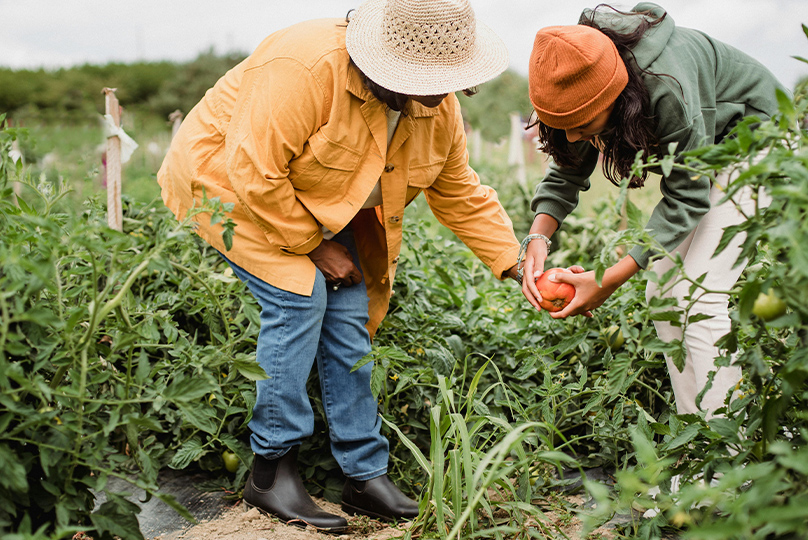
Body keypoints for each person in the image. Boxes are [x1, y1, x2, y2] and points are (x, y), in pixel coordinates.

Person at [157, 0, 521, 532]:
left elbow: (459, 191)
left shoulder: (435, 107)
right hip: (229, 186)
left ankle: (364, 475)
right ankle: (270, 469)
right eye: (428, 79)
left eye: (451, 78)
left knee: (349, 314)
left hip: (317, 198)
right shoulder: (305, 67)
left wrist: (515, 264)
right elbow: (254, 172)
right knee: (299, 296)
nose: (441, 92)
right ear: (386, 63)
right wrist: (314, 245)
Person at [520, 2, 785, 418]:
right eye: (563, 124)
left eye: (583, 124)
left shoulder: (666, 86)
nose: (572, 135)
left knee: (697, 297)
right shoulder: (574, 72)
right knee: (661, 292)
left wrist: (605, 280)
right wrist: (538, 237)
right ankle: (694, 446)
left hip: (759, 142)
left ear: (616, 97)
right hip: (712, 152)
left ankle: (728, 460)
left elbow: (687, 197)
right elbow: (567, 171)